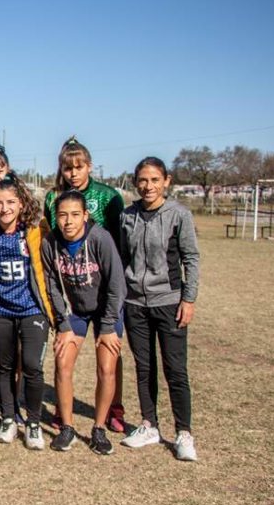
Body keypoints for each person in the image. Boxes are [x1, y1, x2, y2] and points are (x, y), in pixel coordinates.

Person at [43, 136, 127, 432]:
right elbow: (54, 246)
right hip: (74, 290)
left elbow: (119, 242)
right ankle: (61, 414)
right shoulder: (53, 198)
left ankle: (113, 409)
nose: (74, 173)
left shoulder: (109, 196)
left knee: (110, 356)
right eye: (68, 168)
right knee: (63, 359)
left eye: (79, 167)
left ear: (89, 167)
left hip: (105, 288)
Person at [119, 157, 200, 461]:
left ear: (167, 180)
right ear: (135, 182)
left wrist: (188, 299)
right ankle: (149, 424)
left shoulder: (179, 215)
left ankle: (184, 432)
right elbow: (125, 257)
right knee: (144, 366)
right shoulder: (128, 216)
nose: (148, 186)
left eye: (154, 180)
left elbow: (191, 258)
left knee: (175, 369)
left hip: (169, 302)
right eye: (142, 180)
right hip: (135, 304)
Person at [0, 174, 54, 450]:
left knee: (32, 366)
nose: (4, 208)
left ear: (21, 203)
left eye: (11, 202)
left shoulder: (36, 228)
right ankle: (8, 417)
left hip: (32, 309)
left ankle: (32, 422)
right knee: (4, 366)